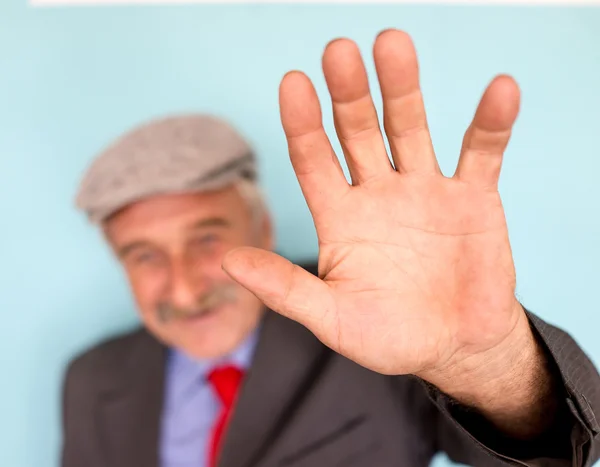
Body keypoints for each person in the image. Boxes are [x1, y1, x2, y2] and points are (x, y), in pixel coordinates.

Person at [62, 30, 600, 467]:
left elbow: (554, 451)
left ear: (263, 228)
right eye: (144, 254)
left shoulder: (380, 323)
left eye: (206, 238)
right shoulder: (92, 380)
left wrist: (486, 366)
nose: (182, 287)